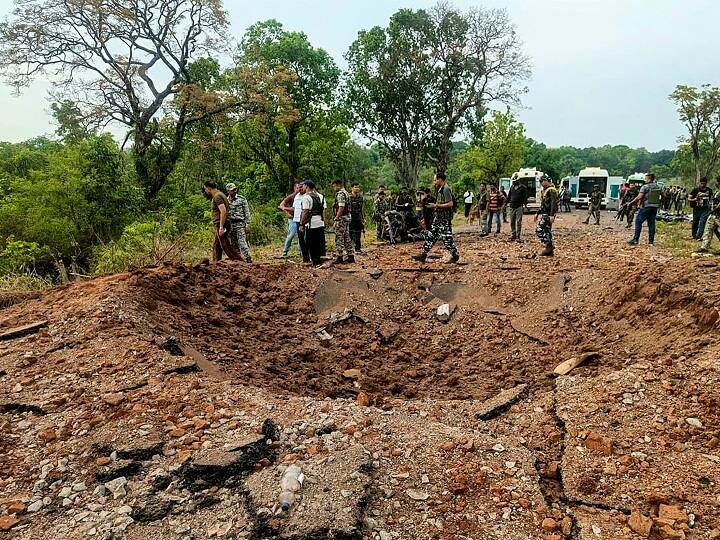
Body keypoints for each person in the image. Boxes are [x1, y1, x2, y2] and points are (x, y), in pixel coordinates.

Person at [412, 172, 459, 263]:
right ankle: (424, 254)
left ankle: (454, 255)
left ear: (440, 179)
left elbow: (450, 204)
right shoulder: (440, 189)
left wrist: (435, 205)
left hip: (444, 219)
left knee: (447, 238)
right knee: (431, 236)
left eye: (435, 179)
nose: (434, 182)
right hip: (438, 218)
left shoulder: (446, 189)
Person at [203, 180, 243, 262]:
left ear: (209, 188)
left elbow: (223, 211)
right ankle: (216, 263)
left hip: (221, 223)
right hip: (223, 223)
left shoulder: (217, 196)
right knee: (217, 245)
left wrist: (221, 226)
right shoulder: (220, 194)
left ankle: (239, 261)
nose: (205, 191)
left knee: (225, 245)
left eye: (205, 189)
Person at [627, 173, 662, 246]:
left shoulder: (645, 187)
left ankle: (636, 239)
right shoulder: (658, 186)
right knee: (651, 223)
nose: (644, 180)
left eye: (645, 179)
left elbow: (639, 196)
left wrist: (631, 203)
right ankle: (651, 242)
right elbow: (663, 195)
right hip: (654, 207)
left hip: (646, 206)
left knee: (638, 221)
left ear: (649, 179)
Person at [278, 183, 308, 260]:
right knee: (291, 234)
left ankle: (300, 251)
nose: (300, 189)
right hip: (292, 218)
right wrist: (286, 213)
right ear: (295, 188)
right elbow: (281, 205)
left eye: (301, 188)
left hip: (301, 219)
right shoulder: (292, 196)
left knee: (301, 235)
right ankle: (285, 251)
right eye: (298, 188)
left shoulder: (305, 195)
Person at [300, 180, 325, 266]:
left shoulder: (306, 197)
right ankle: (318, 259)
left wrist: (301, 223)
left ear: (306, 186)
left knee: (311, 243)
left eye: (303, 185)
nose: (302, 187)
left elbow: (305, 211)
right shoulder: (317, 196)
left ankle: (315, 261)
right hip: (319, 222)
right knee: (317, 242)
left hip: (312, 223)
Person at [226, 183, 252, 263]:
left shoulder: (241, 199)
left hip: (240, 223)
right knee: (233, 243)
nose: (234, 191)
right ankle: (238, 260)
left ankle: (248, 258)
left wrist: (247, 225)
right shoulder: (226, 200)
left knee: (242, 242)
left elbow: (247, 212)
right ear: (228, 191)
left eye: (235, 189)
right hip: (230, 224)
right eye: (232, 190)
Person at [331, 180, 355, 264]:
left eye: (334, 186)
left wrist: (337, 218)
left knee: (339, 237)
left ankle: (340, 256)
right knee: (346, 237)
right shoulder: (346, 193)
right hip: (347, 217)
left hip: (342, 218)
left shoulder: (341, 194)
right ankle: (350, 256)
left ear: (338, 185)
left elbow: (341, 207)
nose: (334, 188)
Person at [534, 174, 558, 256]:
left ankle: (549, 245)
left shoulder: (552, 190)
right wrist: (537, 213)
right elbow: (543, 204)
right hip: (545, 213)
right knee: (547, 231)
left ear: (546, 181)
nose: (541, 184)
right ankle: (549, 251)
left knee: (539, 229)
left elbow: (553, 203)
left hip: (548, 214)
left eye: (542, 182)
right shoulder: (545, 190)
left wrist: (552, 215)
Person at [697, 177, 720, 253]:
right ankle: (704, 247)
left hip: (718, 215)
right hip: (713, 215)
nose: (716, 183)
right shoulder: (717, 192)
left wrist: (714, 209)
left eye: (717, 182)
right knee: (707, 230)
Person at [348, 183, 365, 253]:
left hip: (358, 217)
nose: (357, 189)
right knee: (350, 233)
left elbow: (362, 208)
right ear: (352, 188)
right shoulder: (349, 197)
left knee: (358, 232)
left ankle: (358, 248)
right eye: (355, 187)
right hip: (351, 217)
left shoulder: (360, 197)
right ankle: (350, 248)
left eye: (358, 187)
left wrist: (363, 218)